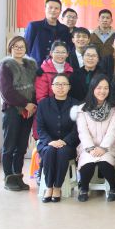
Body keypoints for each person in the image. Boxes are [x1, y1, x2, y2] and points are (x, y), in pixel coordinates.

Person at [73, 74, 115, 202]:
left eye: (106, 88)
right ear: (93, 88)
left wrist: (103, 148)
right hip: (88, 145)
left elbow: (114, 130)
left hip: (110, 144)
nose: (102, 91)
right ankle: (84, 188)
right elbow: (82, 131)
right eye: (99, 87)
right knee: (87, 163)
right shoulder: (82, 108)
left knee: (104, 162)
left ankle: (114, 188)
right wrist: (90, 148)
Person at [0, 36, 37, 191]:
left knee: (21, 146)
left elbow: (35, 87)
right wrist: (26, 104)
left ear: (26, 48)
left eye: (22, 46)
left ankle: (18, 176)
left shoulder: (31, 65)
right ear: (10, 48)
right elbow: (6, 91)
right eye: (16, 46)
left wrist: (32, 105)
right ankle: (8, 178)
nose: (19, 49)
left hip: (29, 111)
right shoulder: (5, 66)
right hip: (12, 110)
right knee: (9, 146)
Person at [36, 74, 79, 202]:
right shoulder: (43, 104)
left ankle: (57, 187)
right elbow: (40, 128)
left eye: (64, 84)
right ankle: (49, 187)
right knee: (49, 151)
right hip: (47, 143)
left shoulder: (76, 104)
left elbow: (77, 129)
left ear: (69, 87)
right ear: (52, 87)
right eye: (57, 84)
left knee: (62, 152)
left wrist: (64, 141)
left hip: (68, 144)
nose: (61, 87)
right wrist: (50, 141)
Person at [24, 0, 72, 66]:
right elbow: (26, 48)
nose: (53, 10)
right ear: (45, 9)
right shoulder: (34, 26)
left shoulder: (64, 29)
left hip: (58, 67)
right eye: (50, 7)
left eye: (56, 8)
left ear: (60, 11)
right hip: (37, 67)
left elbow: (67, 49)